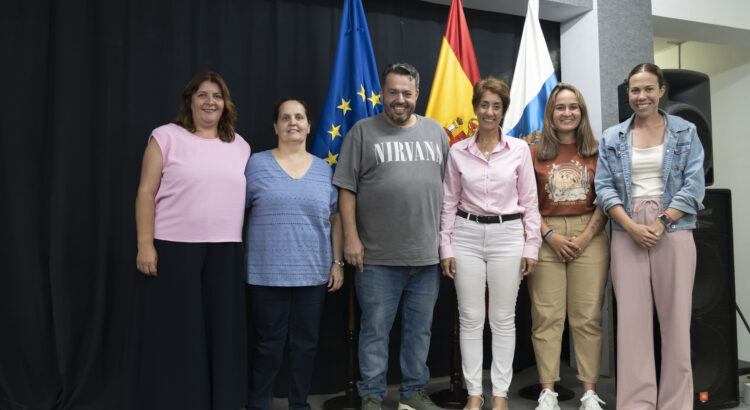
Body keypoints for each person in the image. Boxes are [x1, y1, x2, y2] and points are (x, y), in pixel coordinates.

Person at [333, 62, 449, 410]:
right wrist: (351, 238)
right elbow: (346, 189)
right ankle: (371, 394)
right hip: (376, 257)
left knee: (420, 331)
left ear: (417, 94)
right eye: (393, 92)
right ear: (382, 93)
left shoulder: (436, 132)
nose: (400, 99)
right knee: (374, 331)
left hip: (426, 257)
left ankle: (413, 393)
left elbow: (450, 190)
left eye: (407, 93)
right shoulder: (362, 132)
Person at [134, 71, 250, 410]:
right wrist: (145, 245)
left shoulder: (240, 146)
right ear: (190, 101)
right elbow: (145, 192)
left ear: (225, 104)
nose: (210, 101)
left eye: (217, 96)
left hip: (226, 250)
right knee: (179, 334)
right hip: (173, 249)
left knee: (221, 334)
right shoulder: (166, 137)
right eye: (202, 95)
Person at [595, 63, 705, 410]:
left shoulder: (685, 131)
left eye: (648, 89)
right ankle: (636, 403)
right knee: (631, 323)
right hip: (626, 228)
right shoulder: (612, 137)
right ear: (627, 93)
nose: (641, 96)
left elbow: (694, 186)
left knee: (676, 323)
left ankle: (676, 404)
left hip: (673, 226)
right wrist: (630, 226)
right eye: (634, 90)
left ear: (661, 91)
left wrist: (661, 223)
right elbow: (603, 188)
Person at [439, 76, 541, 410]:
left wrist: (531, 247)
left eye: (496, 106)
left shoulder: (519, 150)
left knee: (502, 319)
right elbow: (448, 203)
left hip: (507, 236)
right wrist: (446, 247)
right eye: (484, 105)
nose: (489, 112)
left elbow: (530, 203)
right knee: (470, 318)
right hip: (466, 236)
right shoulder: (457, 151)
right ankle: (474, 393)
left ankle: (499, 394)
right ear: (475, 107)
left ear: (503, 111)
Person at [245, 98, 344, 410]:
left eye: (299, 117)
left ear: (308, 126)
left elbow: (335, 218)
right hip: (266, 273)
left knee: (306, 346)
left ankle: (299, 404)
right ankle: (258, 404)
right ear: (275, 126)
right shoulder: (255, 164)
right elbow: (236, 211)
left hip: (312, 274)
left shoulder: (324, 169)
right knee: (268, 346)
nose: (293, 123)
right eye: (285, 118)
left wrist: (337, 262)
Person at [527, 84, 609, 410]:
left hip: (590, 232)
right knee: (546, 316)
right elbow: (525, 201)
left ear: (581, 112)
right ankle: (548, 391)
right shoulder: (533, 152)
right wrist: (549, 235)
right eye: (560, 107)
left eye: (573, 107)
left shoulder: (598, 151)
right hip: (545, 234)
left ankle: (589, 392)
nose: (567, 113)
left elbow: (607, 199)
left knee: (587, 317)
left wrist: (586, 237)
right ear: (551, 113)